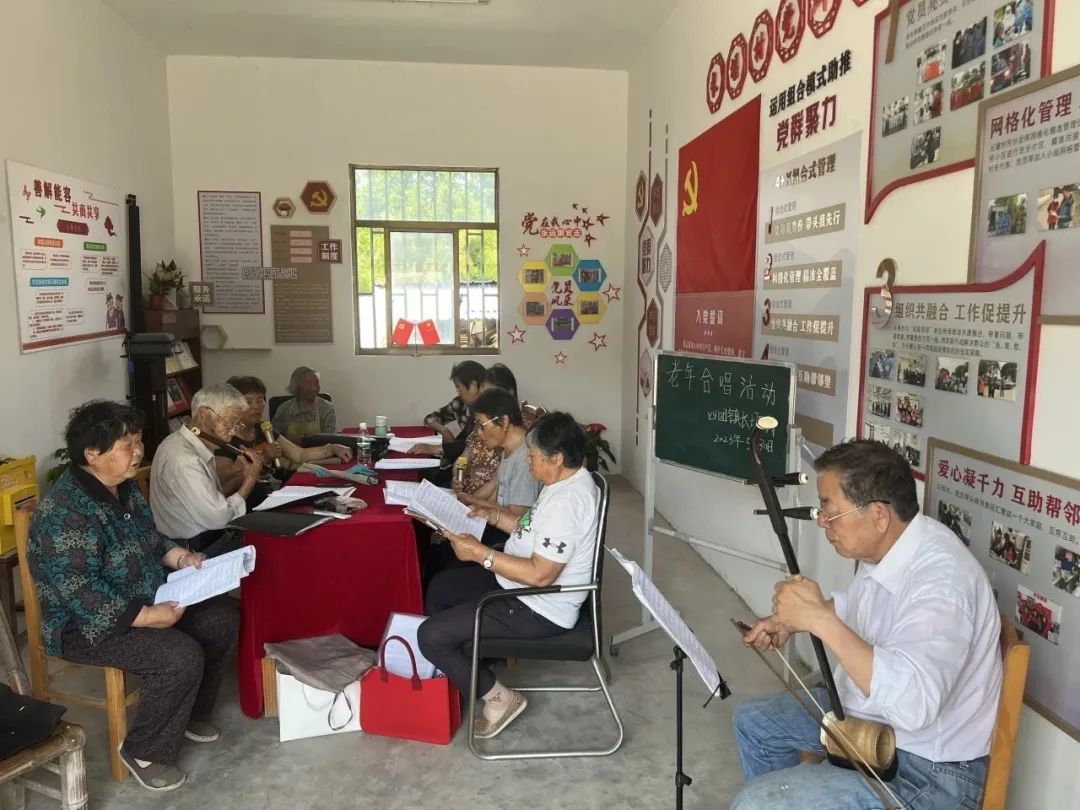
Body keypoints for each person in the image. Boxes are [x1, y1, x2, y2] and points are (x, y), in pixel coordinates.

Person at [731, 439, 1002, 809]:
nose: (822, 521)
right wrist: (793, 622)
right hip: (869, 721)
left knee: (754, 803)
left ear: (878, 515)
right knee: (754, 722)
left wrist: (819, 619)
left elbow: (914, 706)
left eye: (831, 512)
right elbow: (857, 606)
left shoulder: (943, 584)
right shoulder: (891, 549)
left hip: (926, 770)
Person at [28, 401, 237, 792]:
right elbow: (80, 591)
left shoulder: (123, 487)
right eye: (128, 445)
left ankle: (189, 713)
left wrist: (178, 556)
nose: (138, 451)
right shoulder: (65, 511)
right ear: (92, 452)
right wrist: (148, 616)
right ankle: (144, 750)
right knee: (177, 656)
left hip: (146, 592)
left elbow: (149, 537)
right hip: (83, 625)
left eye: (139, 442)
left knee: (220, 617)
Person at [418, 413, 599, 739]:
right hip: (518, 583)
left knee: (430, 636)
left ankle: (499, 699)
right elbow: (528, 528)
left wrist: (480, 554)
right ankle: (469, 674)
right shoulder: (563, 481)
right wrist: (491, 514)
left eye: (534, 456)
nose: (528, 462)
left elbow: (541, 576)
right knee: (441, 588)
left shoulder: (568, 503)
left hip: (538, 606)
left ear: (557, 458)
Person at [150, 383, 262, 557]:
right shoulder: (186, 460)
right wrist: (250, 481)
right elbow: (219, 518)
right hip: (196, 550)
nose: (233, 432)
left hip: (210, 539)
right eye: (229, 422)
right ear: (203, 414)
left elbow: (212, 498)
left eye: (236, 424)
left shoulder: (187, 442)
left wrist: (240, 472)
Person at [218, 376, 353, 501]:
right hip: (241, 503)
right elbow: (222, 488)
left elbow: (299, 454)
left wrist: (332, 448)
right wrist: (265, 457)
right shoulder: (224, 438)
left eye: (260, 400)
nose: (256, 406)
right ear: (232, 406)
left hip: (268, 493)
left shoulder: (263, 428)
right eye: (248, 401)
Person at [458, 386, 541, 546]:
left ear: (504, 421)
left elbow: (517, 517)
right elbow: (494, 484)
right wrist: (467, 502)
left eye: (482, 425)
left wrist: (476, 503)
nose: (479, 433)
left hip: (511, 538)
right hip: (498, 526)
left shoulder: (526, 459)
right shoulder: (509, 448)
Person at [408, 361, 487, 463]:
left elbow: (471, 444)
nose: (459, 393)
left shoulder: (487, 412)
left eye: (459, 388)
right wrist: (444, 431)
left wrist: (434, 449)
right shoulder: (461, 404)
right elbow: (463, 440)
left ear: (473, 386)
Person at [270, 366, 336, 444]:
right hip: (289, 450)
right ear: (297, 386)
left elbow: (331, 441)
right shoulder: (285, 408)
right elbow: (273, 437)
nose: (314, 388)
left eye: (317, 383)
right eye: (309, 384)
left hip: (321, 450)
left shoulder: (327, 408)